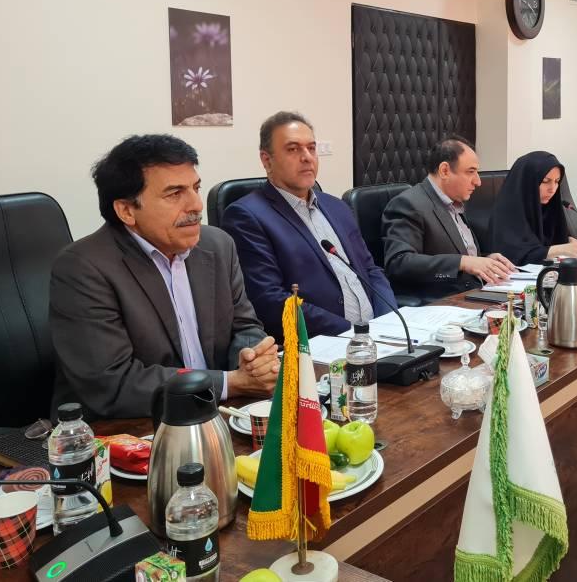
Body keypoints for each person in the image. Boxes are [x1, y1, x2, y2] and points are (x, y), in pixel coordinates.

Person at [49, 135, 278, 420]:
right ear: (127, 210)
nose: (196, 205)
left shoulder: (218, 245)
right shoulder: (83, 268)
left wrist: (253, 361)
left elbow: (245, 326)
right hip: (129, 426)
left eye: (195, 188)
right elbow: (111, 382)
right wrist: (229, 383)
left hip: (216, 413)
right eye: (174, 194)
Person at [221, 111, 396, 338]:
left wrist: (388, 320)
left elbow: (370, 270)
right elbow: (269, 299)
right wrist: (352, 333)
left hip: (378, 335)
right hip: (321, 343)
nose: (307, 157)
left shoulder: (337, 206)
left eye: (311, 148)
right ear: (266, 160)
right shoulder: (247, 216)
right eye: (293, 149)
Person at [381, 136, 515, 299]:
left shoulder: (455, 202)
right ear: (444, 170)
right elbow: (399, 263)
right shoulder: (408, 204)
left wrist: (484, 261)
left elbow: (457, 253)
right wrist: (463, 262)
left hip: (476, 293)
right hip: (442, 302)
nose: (478, 182)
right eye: (470, 172)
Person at [488, 151, 577, 265]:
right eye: (545, 181)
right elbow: (515, 255)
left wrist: (567, 241)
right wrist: (560, 249)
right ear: (528, 182)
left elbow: (546, 240)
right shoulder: (507, 211)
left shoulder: (548, 206)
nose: (553, 189)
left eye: (557, 181)